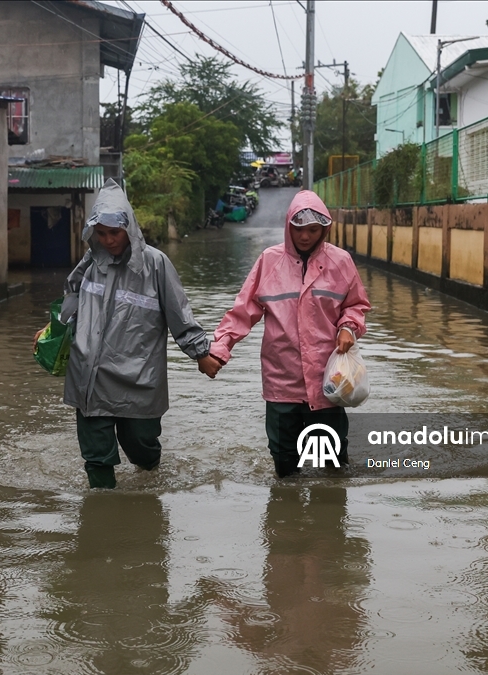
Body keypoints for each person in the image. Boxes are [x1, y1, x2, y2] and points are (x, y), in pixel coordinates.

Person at [61, 179, 222, 489]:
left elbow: (179, 315)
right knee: (97, 457)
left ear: (130, 229)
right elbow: (71, 296)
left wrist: (201, 353)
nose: (108, 240)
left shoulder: (155, 264)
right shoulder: (91, 263)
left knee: (142, 447)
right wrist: (54, 327)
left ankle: (150, 477)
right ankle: (102, 519)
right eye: (102, 233)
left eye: (115, 233)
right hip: (90, 375)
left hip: (137, 376)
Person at [207, 190, 370, 478]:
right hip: (281, 380)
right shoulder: (270, 262)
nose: (305, 236)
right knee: (283, 460)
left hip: (327, 382)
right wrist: (221, 348)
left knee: (330, 462)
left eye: (313, 230)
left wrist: (348, 326)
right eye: (299, 229)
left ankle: (328, 519)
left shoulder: (340, 262)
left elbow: (356, 305)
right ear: (288, 226)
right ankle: (285, 519)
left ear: (324, 230)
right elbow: (243, 311)